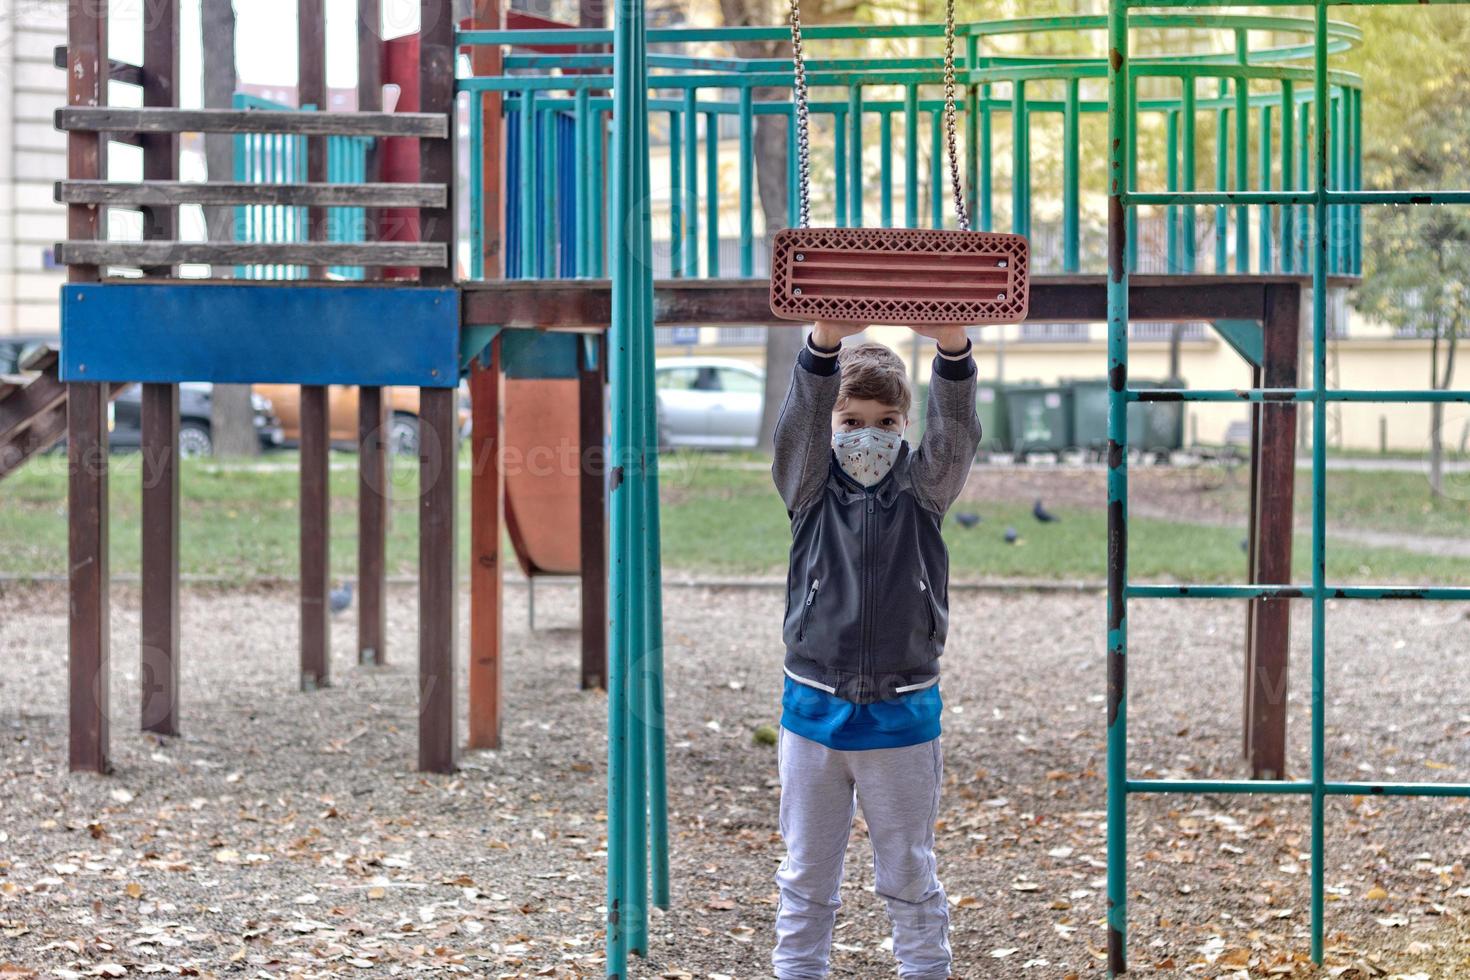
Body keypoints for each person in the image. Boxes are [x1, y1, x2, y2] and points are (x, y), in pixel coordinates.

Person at [769, 319, 983, 980]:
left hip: (902, 719)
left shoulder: (922, 492)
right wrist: (822, 346)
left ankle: (924, 970)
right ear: (831, 427)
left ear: (905, 428)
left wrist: (952, 350)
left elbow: (954, 437)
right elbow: (798, 427)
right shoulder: (808, 490)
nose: (870, 435)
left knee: (909, 871)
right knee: (806, 874)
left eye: (888, 421)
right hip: (814, 714)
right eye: (853, 419)